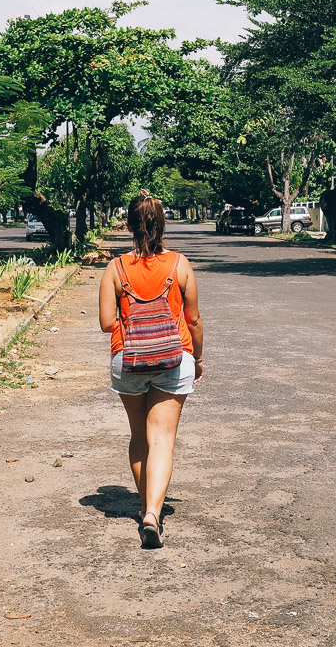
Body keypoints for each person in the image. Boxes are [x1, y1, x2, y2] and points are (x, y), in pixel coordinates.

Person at [99, 190, 204, 549]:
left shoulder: (114, 269)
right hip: (174, 359)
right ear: (163, 225)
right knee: (162, 439)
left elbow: (104, 323)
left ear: (128, 225)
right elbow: (194, 320)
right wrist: (199, 358)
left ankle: (146, 506)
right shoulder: (180, 265)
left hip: (127, 360)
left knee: (139, 436)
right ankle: (152, 515)